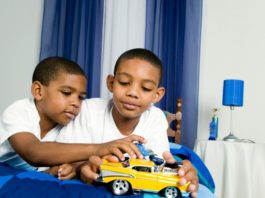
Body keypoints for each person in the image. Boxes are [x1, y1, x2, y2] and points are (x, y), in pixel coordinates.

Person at [56, 48, 199, 197]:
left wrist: (178, 171)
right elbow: (59, 153)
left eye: (146, 88)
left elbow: (156, 165)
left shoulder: (155, 118)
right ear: (111, 83)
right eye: (124, 83)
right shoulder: (88, 110)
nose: (133, 93)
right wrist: (80, 168)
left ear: (157, 95)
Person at [0, 57, 145, 180]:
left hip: (26, 176)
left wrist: (65, 169)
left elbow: (65, 160)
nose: (76, 103)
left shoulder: (72, 123)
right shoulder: (19, 111)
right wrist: (101, 147)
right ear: (38, 91)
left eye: (81, 97)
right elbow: (34, 152)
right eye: (66, 92)